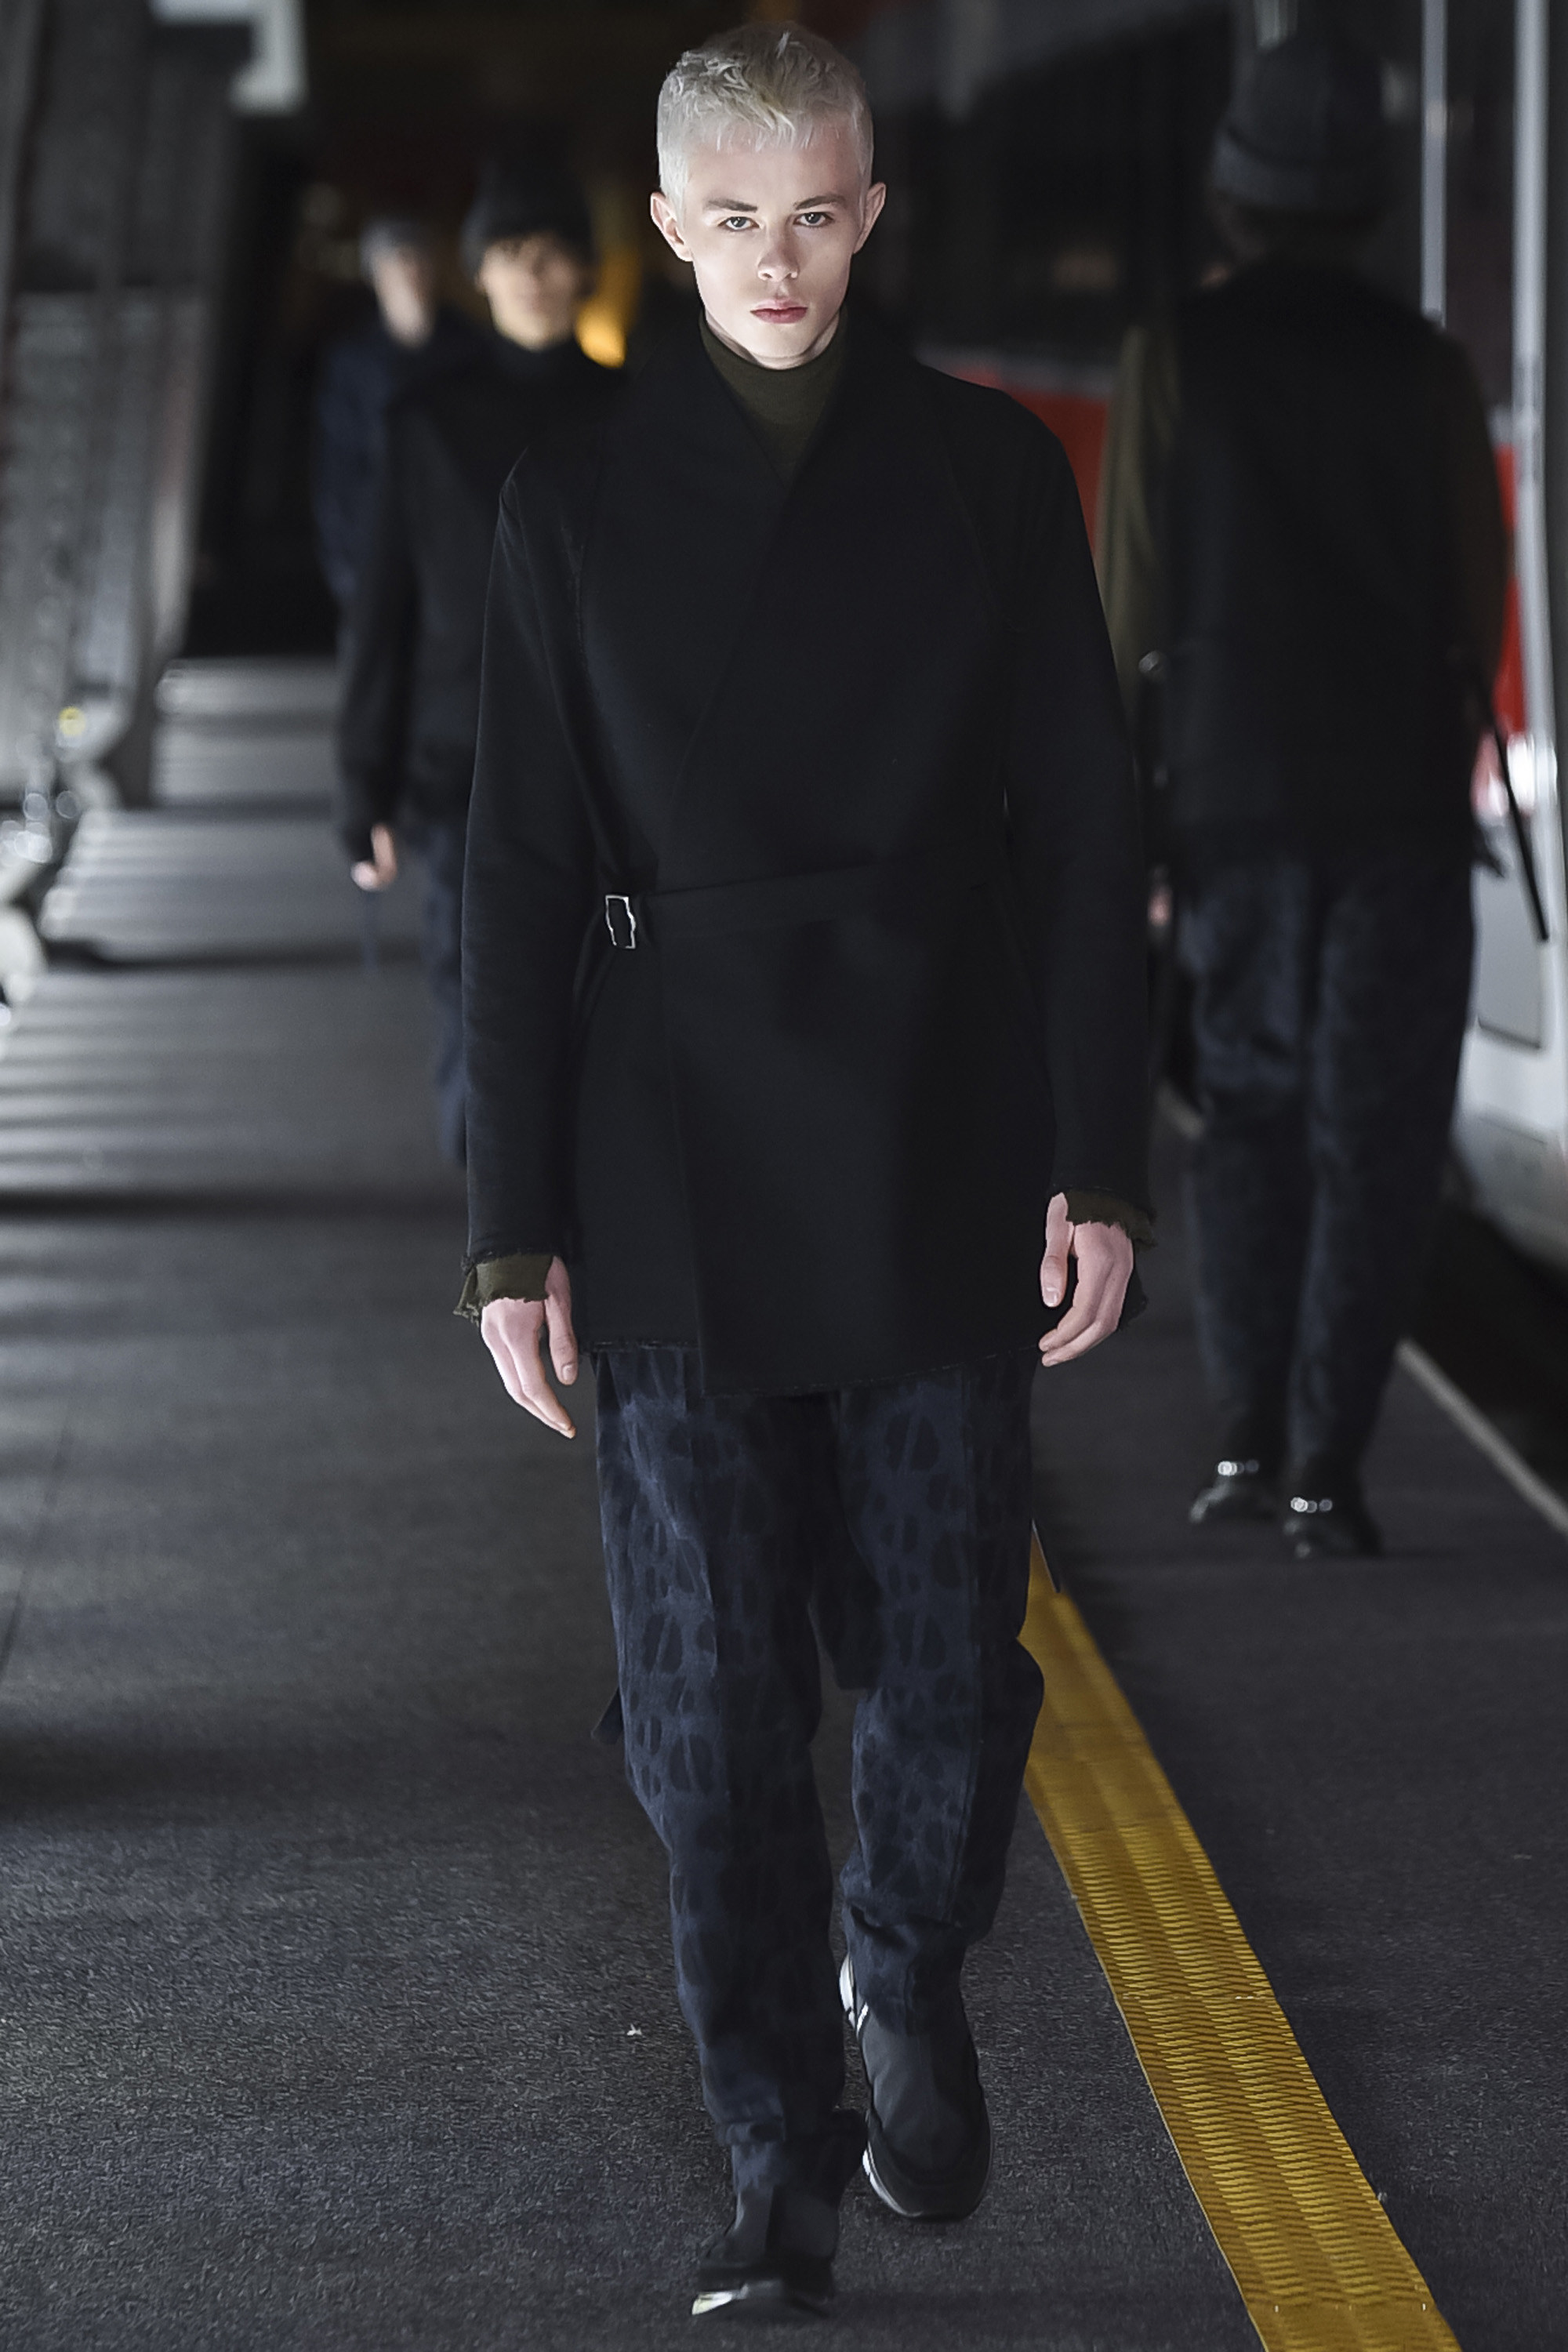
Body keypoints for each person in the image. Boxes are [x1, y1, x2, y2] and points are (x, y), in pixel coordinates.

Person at [459, 24, 1151, 2320]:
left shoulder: (983, 471)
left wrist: (1096, 1155)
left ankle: (901, 1950)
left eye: (819, 214)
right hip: (665, 1159)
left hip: (941, 1125)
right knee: (706, 1706)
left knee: (950, 1652)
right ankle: (771, 2151)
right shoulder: (567, 498)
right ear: (667, 227)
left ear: (871, 214)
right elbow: (518, 876)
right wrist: (507, 1225)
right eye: (736, 219)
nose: (780, 260)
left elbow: (1083, 834)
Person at [1098, 31, 1508, 1562]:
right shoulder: (1427, 366)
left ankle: (1238, 1442)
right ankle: (1329, 1471)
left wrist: (1130, 819)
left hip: (1232, 802)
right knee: (1377, 1139)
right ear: (1372, 206)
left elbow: (1131, 601)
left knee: (1251, 1118)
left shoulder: (1174, 356)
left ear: (1232, 195)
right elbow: (1476, 594)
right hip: (1395, 805)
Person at [336, 164, 619, 1163]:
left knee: (599, 998)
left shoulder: (638, 414)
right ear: (480, 274)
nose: (531, 275)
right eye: (508, 254)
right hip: (461, 764)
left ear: (582, 270)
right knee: (474, 995)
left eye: (550, 254)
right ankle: (494, 1210)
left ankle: (574, 1202)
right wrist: (362, 788)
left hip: (609, 767)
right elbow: (384, 615)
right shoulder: (424, 423)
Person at [311, 216, 482, 614]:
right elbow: (337, 465)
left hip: (452, 549)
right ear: (376, 277)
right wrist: (346, 565)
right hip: (372, 540)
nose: (409, 274)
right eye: (396, 263)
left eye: (417, 260)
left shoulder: (470, 350)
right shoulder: (353, 362)